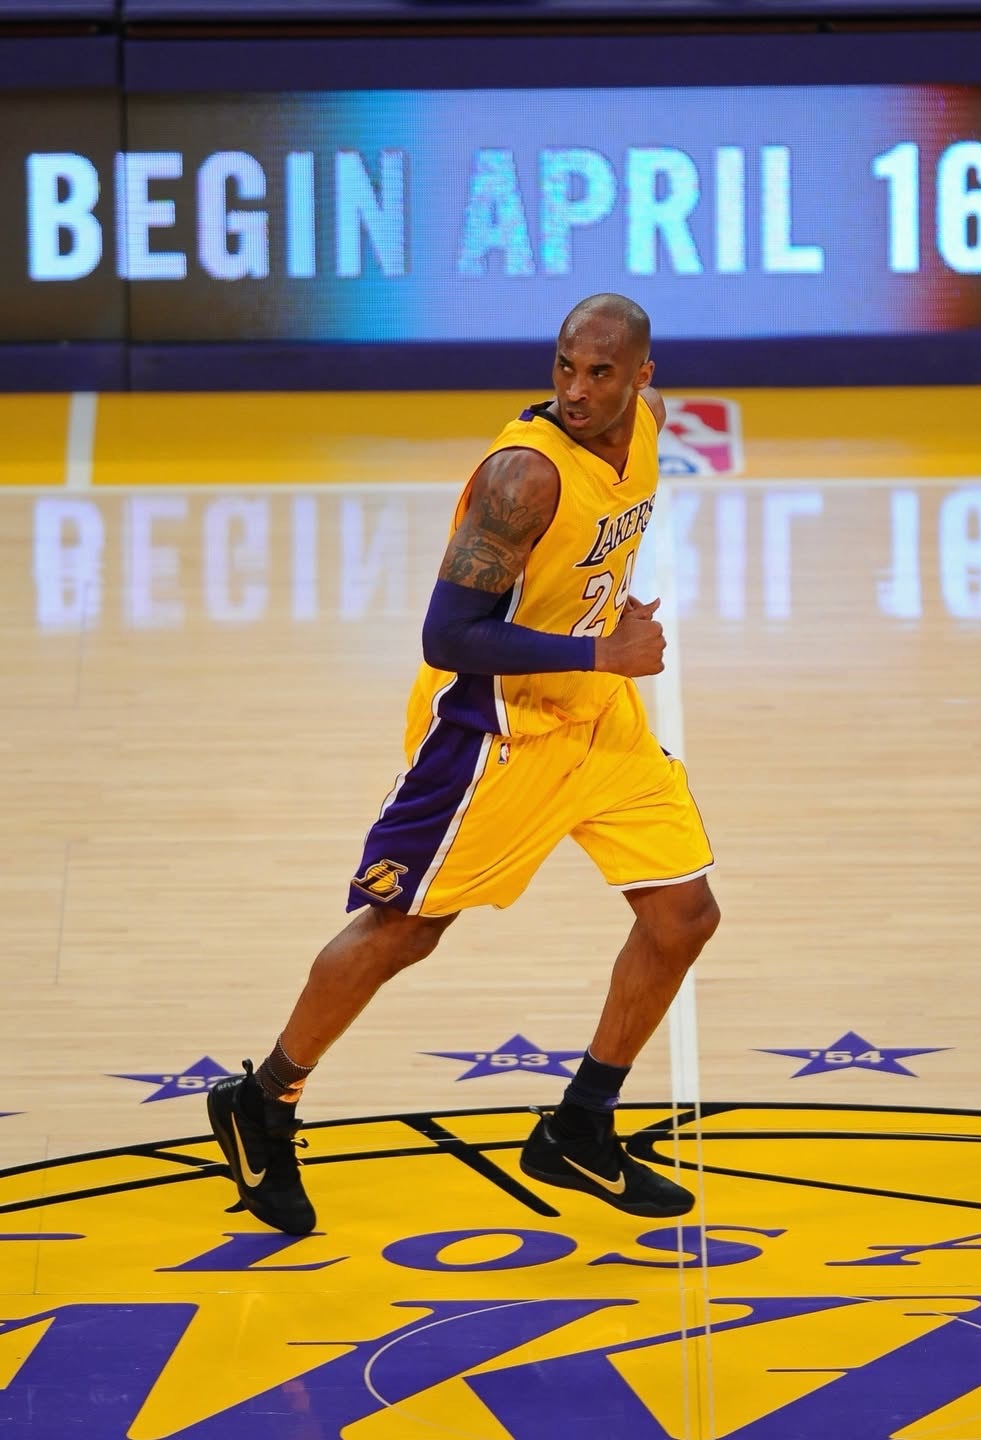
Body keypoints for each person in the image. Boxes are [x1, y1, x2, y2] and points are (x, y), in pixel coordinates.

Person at [207, 293, 719, 1235]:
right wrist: (601, 650)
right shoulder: (523, 476)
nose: (576, 389)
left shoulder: (647, 424)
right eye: (564, 366)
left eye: (600, 372)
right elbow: (448, 635)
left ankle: (579, 1127)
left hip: (596, 719)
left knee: (684, 915)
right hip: (493, 731)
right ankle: (264, 1099)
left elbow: (584, 561)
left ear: (642, 377)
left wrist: (604, 621)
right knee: (404, 929)